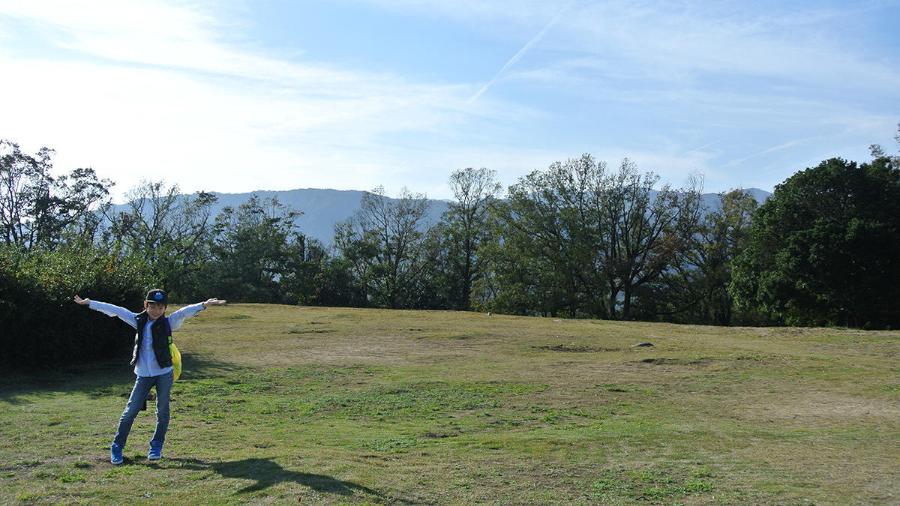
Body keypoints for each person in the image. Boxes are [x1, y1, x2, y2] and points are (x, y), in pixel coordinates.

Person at [73, 289, 225, 465]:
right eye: (152, 306)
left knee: (163, 410)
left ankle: (156, 446)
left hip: (164, 373)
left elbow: (184, 312)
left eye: (161, 307)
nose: (156, 311)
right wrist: (90, 303)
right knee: (130, 412)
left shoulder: (169, 323)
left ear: (164, 309)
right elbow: (116, 310)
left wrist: (204, 305)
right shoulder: (137, 320)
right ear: (146, 305)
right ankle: (117, 446)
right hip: (143, 375)